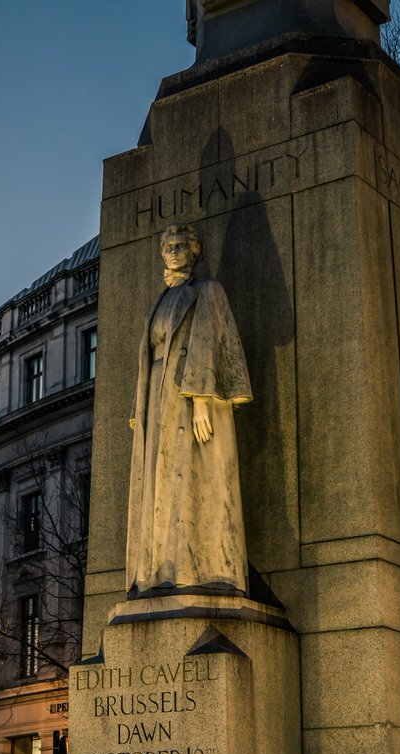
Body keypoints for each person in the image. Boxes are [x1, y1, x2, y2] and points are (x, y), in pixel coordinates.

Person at [126, 222, 252, 597]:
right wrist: (140, 408)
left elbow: (210, 340)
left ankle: (198, 568)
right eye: (169, 246)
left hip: (188, 396)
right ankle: (158, 569)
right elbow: (145, 361)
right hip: (159, 401)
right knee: (160, 487)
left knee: (192, 480)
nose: (175, 250)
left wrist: (200, 398)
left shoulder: (207, 291)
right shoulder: (157, 303)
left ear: (194, 252)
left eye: (182, 245)